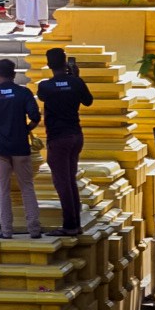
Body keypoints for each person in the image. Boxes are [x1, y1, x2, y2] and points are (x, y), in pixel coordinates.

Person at [0, 58, 43, 239]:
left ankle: (6, 231)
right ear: (14, 75)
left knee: (2, 190)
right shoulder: (23, 93)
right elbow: (35, 116)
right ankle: (34, 229)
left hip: (0, 148)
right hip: (20, 146)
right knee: (27, 187)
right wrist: (26, 129)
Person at [36, 47, 92, 237]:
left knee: (62, 183)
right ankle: (75, 224)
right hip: (76, 135)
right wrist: (76, 77)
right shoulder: (76, 82)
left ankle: (70, 225)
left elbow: (43, 96)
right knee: (70, 180)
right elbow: (88, 101)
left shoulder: (45, 86)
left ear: (49, 65)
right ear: (65, 62)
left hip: (58, 138)